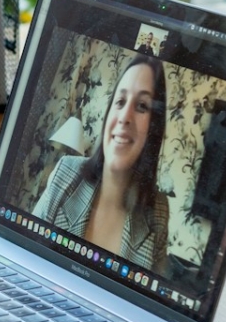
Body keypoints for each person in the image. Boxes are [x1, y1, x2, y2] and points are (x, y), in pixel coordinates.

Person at [33, 55, 170, 273]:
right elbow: (25, 252)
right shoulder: (65, 173)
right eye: (120, 101)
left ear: (153, 128)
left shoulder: (158, 212)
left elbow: (149, 301)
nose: (125, 117)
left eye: (142, 106)